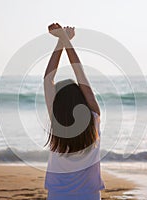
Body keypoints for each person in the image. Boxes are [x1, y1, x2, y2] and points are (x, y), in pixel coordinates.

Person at [43, 23, 105, 200]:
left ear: (58, 103)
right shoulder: (94, 117)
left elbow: (48, 79)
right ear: (81, 98)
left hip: (58, 195)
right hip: (89, 195)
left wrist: (61, 41)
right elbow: (80, 73)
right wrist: (65, 39)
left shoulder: (57, 120)